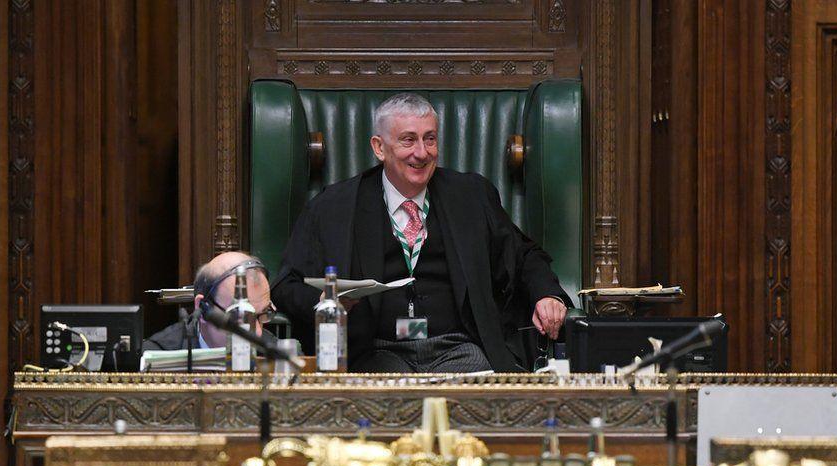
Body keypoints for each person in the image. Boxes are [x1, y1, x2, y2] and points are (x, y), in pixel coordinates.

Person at [271, 93, 571, 373]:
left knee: (483, 405)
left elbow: (523, 255)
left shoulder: (470, 196)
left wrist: (546, 295)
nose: (422, 153)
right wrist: (326, 301)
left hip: (458, 348)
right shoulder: (334, 206)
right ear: (379, 147)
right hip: (376, 352)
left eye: (430, 139)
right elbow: (287, 285)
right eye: (408, 140)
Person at [143, 251, 275, 351]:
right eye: (241, 318)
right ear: (202, 308)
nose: (257, 332)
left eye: (264, 314)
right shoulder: (159, 357)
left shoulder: (274, 354)